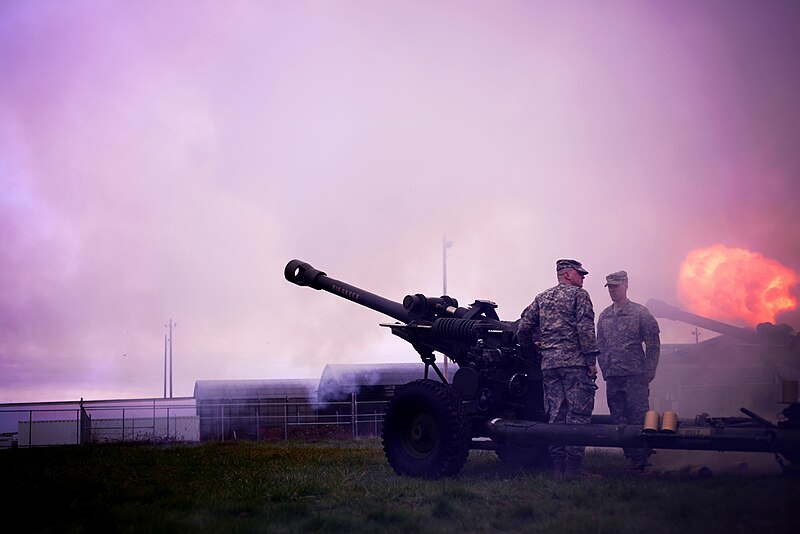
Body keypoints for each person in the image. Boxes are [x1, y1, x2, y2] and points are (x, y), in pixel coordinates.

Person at [518, 259, 600, 480]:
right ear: (567, 275)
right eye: (579, 274)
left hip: (550, 366)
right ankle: (574, 470)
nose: (583, 278)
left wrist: (531, 350)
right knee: (578, 416)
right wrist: (591, 362)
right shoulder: (579, 296)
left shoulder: (542, 297)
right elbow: (585, 329)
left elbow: (523, 326)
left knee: (556, 416)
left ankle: (557, 470)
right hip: (574, 365)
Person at [596, 270, 661, 472]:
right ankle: (632, 456)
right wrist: (605, 370)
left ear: (626, 285)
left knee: (638, 418)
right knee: (619, 419)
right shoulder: (605, 315)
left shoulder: (640, 313)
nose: (613, 291)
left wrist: (649, 372)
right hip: (613, 377)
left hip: (635, 376)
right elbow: (600, 345)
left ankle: (642, 460)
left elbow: (653, 345)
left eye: (616, 286)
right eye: (610, 287)